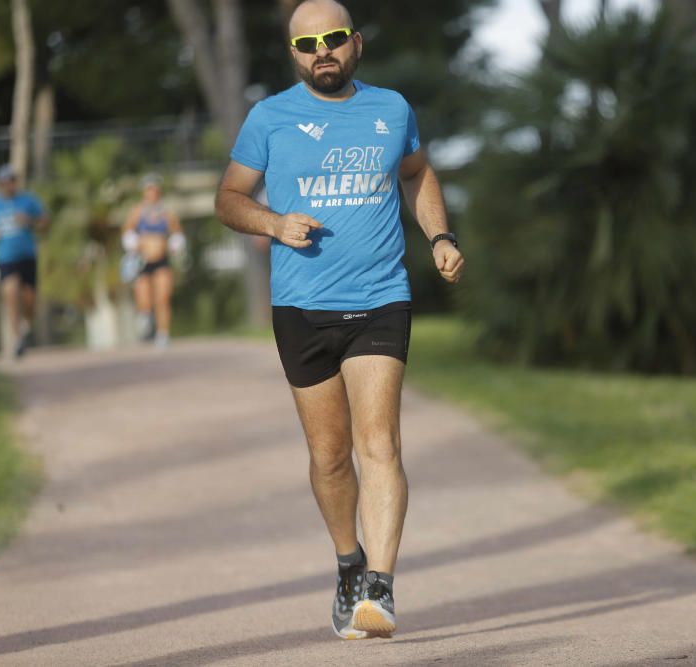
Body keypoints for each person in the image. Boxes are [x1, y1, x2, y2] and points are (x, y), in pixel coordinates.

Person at [215, 0, 464, 640]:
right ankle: (348, 561)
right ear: (294, 54)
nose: (320, 50)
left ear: (355, 43)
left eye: (332, 38)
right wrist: (272, 223)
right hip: (300, 306)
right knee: (329, 457)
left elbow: (417, 171)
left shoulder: (392, 109)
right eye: (306, 43)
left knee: (378, 443)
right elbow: (228, 198)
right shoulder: (268, 118)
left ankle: (379, 589)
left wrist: (439, 235)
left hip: (380, 296)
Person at [0, 164, 48, 358]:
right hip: (6, 257)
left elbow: (43, 222)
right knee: (10, 292)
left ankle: (26, 327)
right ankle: (17, 339)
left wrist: (29, 222)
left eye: (13, 181)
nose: (10, 185)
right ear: (0, 184)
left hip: (27, 255)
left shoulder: (28, 201)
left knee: (30, 299)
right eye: (6, 182)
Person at [121, 174, 185, 348]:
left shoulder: (167, 213)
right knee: (144, 299)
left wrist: (174, 245)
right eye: (148, 190)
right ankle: (145, 316)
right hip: (142, 262)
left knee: (163, 298)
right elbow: (127, 232)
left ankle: (163, 333)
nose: (152, 193)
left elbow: (177, 234)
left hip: (162, 261)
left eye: (154, 190)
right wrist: (135, 243)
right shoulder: (137, 212)